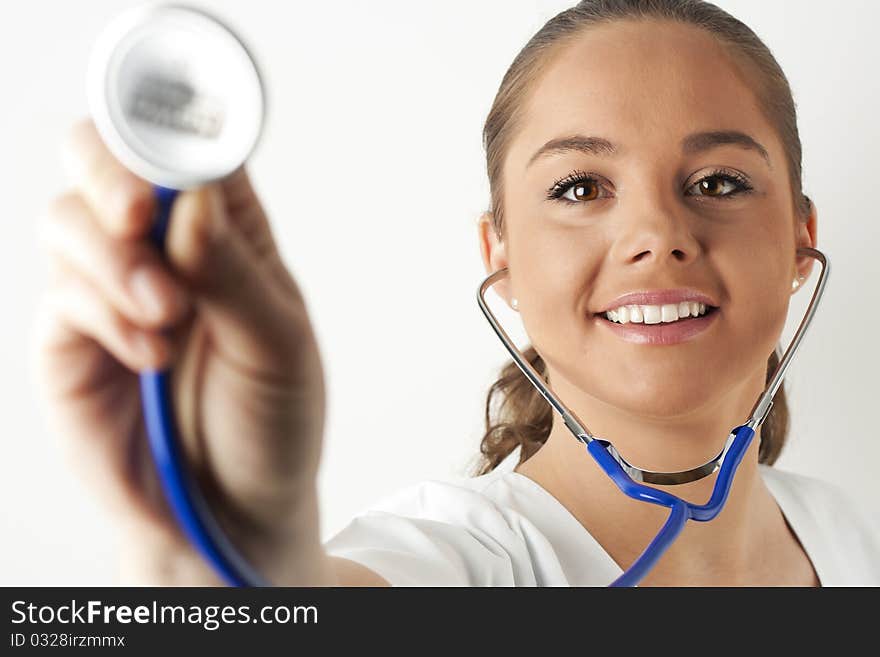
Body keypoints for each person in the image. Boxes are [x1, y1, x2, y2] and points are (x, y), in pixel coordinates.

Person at [32, 0, 879, 587]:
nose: (658, 234)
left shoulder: (847, 533)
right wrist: (215, 550)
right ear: (498, 255)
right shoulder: (460, 560)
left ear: (802, 239)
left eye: (720, 181)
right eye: (581, 187)